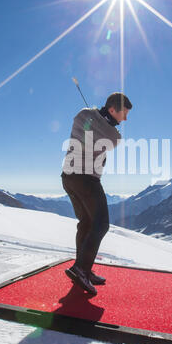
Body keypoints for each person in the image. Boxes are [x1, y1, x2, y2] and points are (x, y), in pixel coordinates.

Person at [61, 92, 132, 295]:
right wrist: (107, 124)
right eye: (124, 114)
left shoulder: (83, 114)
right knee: (101, 224)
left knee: (86, 223)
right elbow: (114, 139)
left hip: (68, 178)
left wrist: (99, 118)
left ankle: (83, 269)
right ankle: (81, 269)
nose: (125, 119)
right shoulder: (113, 136)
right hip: (86, 179)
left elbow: (87, 121)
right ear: (112, 110)